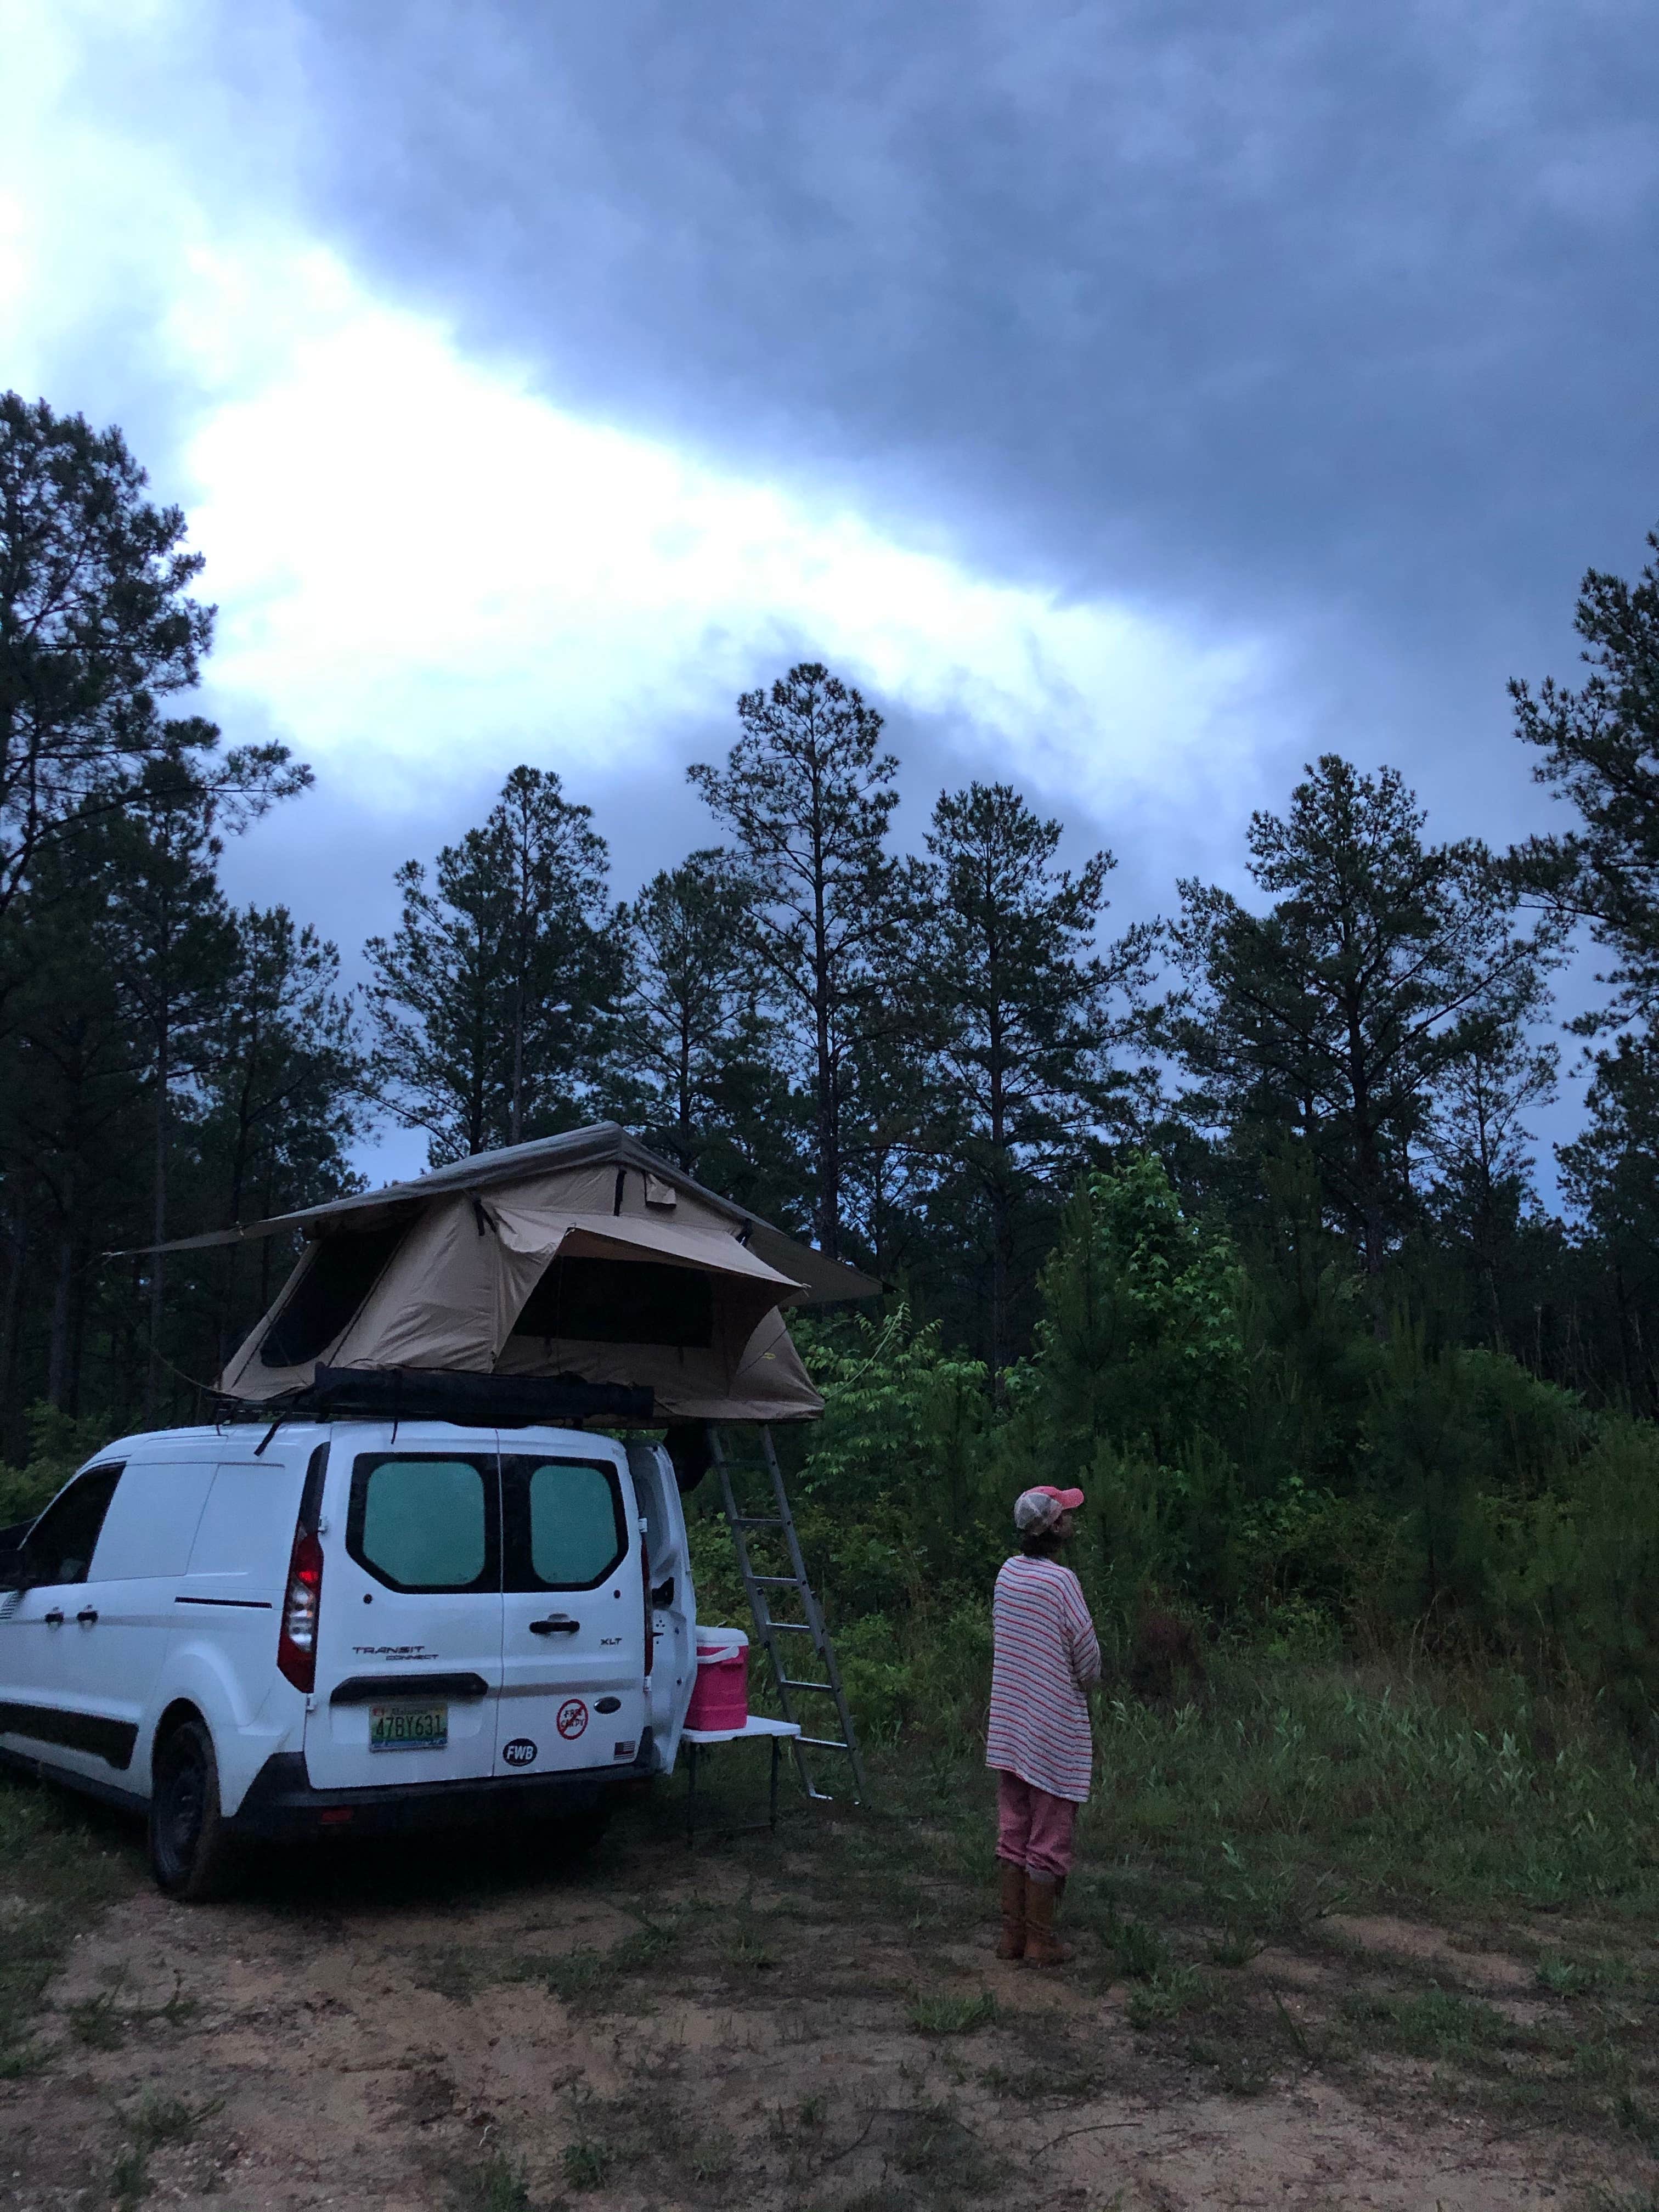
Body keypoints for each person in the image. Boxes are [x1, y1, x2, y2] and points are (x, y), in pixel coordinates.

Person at [985, 1483, 1101, 1966]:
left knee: (1014, 1830)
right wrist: (1085, 1680)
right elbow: (1088, 1656)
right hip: (1052, 1729)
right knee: (1050, 1836)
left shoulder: (1007, 1574)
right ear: (1055, 1528)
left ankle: (1011, 1937)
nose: (1073, 1521)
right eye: (1067, 1516)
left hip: (1010, 1725)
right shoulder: (1061, 1582)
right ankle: (1040, 1940)